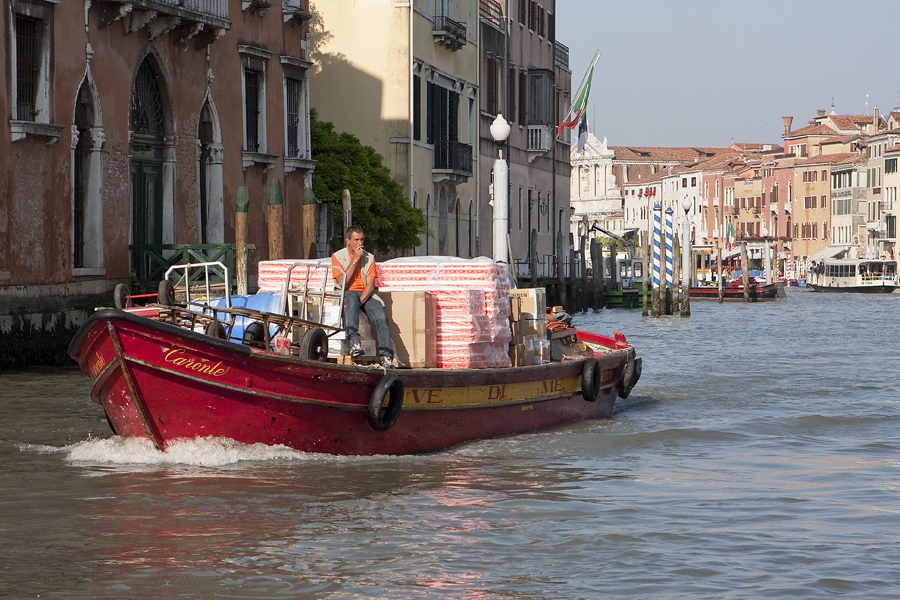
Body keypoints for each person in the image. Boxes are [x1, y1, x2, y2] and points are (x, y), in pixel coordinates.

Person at [331, 226, 394, 368]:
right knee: (351, 300)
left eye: (362, 240)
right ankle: (355, 343)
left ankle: (386, 356)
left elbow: (371, 285)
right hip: (346, 291)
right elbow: (342, 282)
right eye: (356, 240)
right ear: (348, 241)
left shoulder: (370, 257)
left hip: (366, 292)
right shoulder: (337, 257)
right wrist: (354, 261)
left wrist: (359, 302)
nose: (360, 243)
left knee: (381, 318)